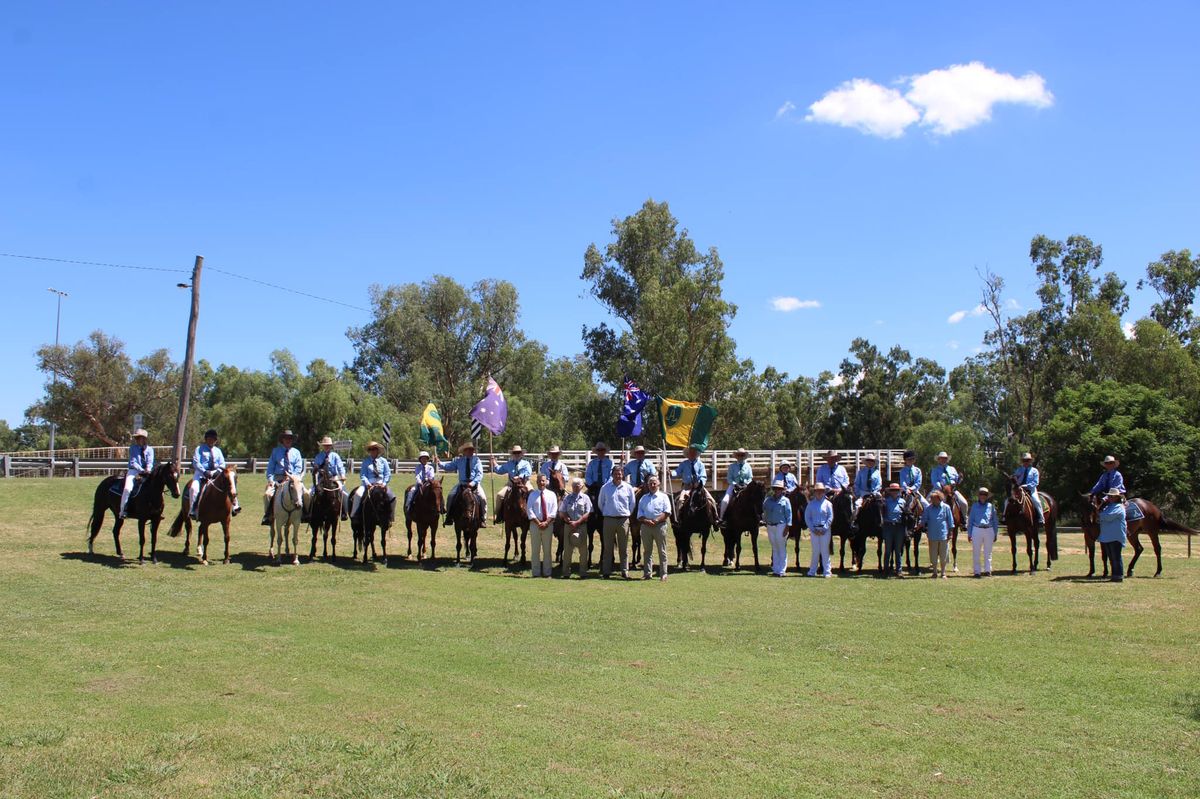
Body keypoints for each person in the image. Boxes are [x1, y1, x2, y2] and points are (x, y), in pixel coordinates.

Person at [262, 429, 309, 525]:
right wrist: (271, 480)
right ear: (282, 440)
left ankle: (306, 514)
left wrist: (292, 477)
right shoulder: (275, 452)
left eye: (290, 438)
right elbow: (270, 468)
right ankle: (268, 516)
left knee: (306, 494)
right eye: (286, 438)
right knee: (267, 495)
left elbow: (298, 467)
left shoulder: (296, 452)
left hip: (293, 480)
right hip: (278, 480)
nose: (288, 440)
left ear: (292, 440)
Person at [190, 428, 238, 519]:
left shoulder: (218, 451)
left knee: (230, 483)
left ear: (215, 440)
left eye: (213, 439)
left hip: (216, 473)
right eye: (209, 439)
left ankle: (235, 505)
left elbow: (222, 463)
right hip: (201, 473)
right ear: (206, 439)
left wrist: (218, 471)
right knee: (193, 488)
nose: (211, 441)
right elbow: (196, 462)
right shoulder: (199, 449)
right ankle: (193, 509)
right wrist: (204, 471)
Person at [598, 464, 636, 578]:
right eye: (615, 474)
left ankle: (624, 571)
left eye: (619, 474)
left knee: (623, 548)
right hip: (609, 520)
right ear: (612, 475)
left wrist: (627, 513)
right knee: (607, 547)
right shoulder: (605, 488)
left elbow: (632, 504)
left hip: (623, 520)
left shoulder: (628, 488)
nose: (618, 476)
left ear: (622, 474)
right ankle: (606, 571)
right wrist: (607, 512)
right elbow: (601, 503)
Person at [440, 442, 487, 527]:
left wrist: (473, 483)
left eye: (472, 450)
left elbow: (480, 474)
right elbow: (449, 467)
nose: (470, 451)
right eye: (468, 450)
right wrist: (439, 463)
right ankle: (449, 517)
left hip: (474, 484)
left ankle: (482, 519)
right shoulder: (459, 460)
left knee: (482, 498)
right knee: (451, 496)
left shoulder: (477, 460)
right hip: (462, 484)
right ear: (464, 451)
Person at [636, 475, 672, 581]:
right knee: (647, 551)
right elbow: (639, 514)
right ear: (647, 485)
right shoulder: (643, 498)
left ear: (658, 484)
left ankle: (664, 573)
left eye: (654, 483)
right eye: (650, 483)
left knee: (662, 550)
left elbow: (667, 512)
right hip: (646, 526)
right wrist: (646, 521)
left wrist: (656, 520)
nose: (652, 485)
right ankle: (647, 573)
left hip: (660, 526)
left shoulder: (664, 497)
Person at [350, 441, 395, 523]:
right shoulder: (366, 461)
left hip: (381, 483)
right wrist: (368, 484)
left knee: (392, 496)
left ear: (378, 450)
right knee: (357, 494)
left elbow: (387, 473)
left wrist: (384, 483)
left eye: (374, 449)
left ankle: (390, 516)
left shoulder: (383, 461)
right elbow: (363, 475)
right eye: (370, 449)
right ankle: (355, 515)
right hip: (368, 484)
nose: (372, 451)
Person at [558, 478, 593, 578]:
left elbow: (588, 513)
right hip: (568, 526)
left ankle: (583, 572)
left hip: (582, 526)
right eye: (574, 485)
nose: (575, 487)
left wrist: (577, 522)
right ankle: (565, 573)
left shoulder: (586, 498)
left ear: (582, 486)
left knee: (583, 551)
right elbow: (561, 511)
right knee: (568, 550)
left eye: (578, 485)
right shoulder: (567, 498)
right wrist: (566, 518)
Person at [526, 472, 558, 577]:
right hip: (535, 525)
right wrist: (539, 523)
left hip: (548, 525)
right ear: (537, 482)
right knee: (535, 550)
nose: (541, 482)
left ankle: (547, 573)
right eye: (539, 481)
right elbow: (529, 510)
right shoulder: (532, 494)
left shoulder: (552, 495)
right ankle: (536, 573)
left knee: (547, 550)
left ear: (546, 482)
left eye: (543, 480)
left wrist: (546, 522)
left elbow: (554, 510)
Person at [119, 428, 155, 519]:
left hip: (147, 471)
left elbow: (150, 461)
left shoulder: (150, 449)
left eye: (140, 438)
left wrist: (148, 469)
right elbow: (133, 462)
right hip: (134, 470)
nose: (138, 440)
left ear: (145, 439)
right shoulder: (133, 448)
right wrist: (142, 470)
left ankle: (157, 510)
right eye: (137, 438)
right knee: (127, 488)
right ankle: (123, 510)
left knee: (156, 486)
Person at [491, 445, 532, 523]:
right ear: (512, 454)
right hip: (511, 485)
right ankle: (499, 515)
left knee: (532, 493)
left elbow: (528, 473)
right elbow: (499, 470)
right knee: (500, 495)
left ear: (521, 454)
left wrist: (519, 477)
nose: (517, 454)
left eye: (518, 453)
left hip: (524, 483)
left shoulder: (526, 463)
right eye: (515, 453)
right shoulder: (509, 463)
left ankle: (533, 516)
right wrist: (494, 463)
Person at [919, 490, 955, 579]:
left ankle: (943, 572)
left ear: (939, 499)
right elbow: (924, 519)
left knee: (943, 554)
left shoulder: (946, 507)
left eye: (934, 499)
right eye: (931, 499)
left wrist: (950, 532)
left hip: (943, 535)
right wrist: (919, 525)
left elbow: (950, 521)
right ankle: (934, 572)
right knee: (933, 554)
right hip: (932, 535)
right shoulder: (928, 508)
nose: (932, 501)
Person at [762, 479, 792, 577]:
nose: (777, 491)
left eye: (779, 489)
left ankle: (782, 570)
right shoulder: (768, 500)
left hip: (781, 525)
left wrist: (787, 527)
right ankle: (776, 569)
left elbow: (789, 515)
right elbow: (763, 510)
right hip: (770, 525)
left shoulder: (786, 500)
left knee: (781, 546)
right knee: (774, 547)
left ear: (782, 490)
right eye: (776, 489)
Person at [967, 486, 999, 577]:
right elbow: (971, 520)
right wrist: (969, 533)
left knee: (988, 552)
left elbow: (995, 520)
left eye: (985, 494)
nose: (983, 496)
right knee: (976, 551)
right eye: (981, 494)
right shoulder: (974, 506)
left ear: (987, 496)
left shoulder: (991, 507)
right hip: (977, 529)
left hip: (989, 529)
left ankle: (988, 570)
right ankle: (977, 571)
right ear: (979, 495)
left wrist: (995, 533)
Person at [1097, 488, 1127, 582]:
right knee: (1111, 557)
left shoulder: (1119, 507)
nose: (1109, 497)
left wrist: (1099, 515)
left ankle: (1119, 576)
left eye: (1111, 496)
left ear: (1116, 497)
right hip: (1107, 536)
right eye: (1108, 496)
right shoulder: (1109, 506)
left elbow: (1108, 517)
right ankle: (1114, 575)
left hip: (1115, 536)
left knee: (1116, 557)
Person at [719, 448, 754, 526]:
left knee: (755, 499)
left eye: (742, 455)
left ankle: (759, 518)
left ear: (744, 456)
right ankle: (721, 518)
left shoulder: (748, 466)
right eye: (739, 455)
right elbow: (729, 478)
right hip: (734, 486)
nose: (740, 456)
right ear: (736, 456)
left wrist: (746, 484)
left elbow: (750, 477)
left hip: (745, 486)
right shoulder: (732, 466)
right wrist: (735, 484)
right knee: (725, 500)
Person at [804, 483, 833, 577]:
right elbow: (807, 517)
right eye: (817, 491)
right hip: (814, 530)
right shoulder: (811, 504)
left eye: (821, 491)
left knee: (825, 551)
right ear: (815, 492)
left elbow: (830, 517)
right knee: (815, 551)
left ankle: (827, 571)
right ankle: (812, 571)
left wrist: (824, 528)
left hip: (825, 530)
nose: (819, 493)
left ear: (824, 492)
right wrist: (812, 529)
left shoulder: (828, 504)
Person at [312, 437, 347, 509]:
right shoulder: (318, 456)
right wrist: (318, 470)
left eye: (328, 445)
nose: (327, 447)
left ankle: (344, 512)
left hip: (334, 478)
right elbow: (315, 468)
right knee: (311, 493)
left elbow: (340, 467)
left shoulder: (335, 456)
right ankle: (310, 512)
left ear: (331, 446)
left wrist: (342, 475)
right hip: (321, 479)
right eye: (325, 445)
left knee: (343, 492)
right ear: (323, 446)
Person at [930, 451, 968, 517]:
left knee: (964, 503)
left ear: (947, 459)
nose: (943, 460)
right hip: (939, 490)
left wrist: (960, 479)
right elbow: (934, 481)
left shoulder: (952, 469)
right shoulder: (935, 470)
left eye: (945, 458)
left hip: (953, 490)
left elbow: (957, 481)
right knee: (928, 502)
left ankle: (964, 520)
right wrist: (943, 488)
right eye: (941, 458)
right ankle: (926, 522)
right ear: (938, 459)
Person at [403, 451, 441, 517]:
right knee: (412, 491)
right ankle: (408, 506)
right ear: (420, 460)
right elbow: (417, 475)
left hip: (429, 483)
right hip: (419, 483)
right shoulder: (418, 467)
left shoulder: (430, 467)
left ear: (427, 459)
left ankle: (442, 507)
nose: (424, 460)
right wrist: (419, 481)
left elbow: (431, 476)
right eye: (422, 458)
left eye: (425, 458)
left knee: (437, 491)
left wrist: (428, 480)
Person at [1013, 452, 1044, 530]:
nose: (1026, 462)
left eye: (1027, 460)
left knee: (1036, 500)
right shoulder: (1019, 470)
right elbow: (1014, 477)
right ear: (1022, 461)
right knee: (1008, 500)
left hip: (1031, 489)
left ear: (1030, 461)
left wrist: (1025, 485)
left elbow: (1036, 482)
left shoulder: (1034, 471)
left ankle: (1041, 518)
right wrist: (1014, 479)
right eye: (1024, 460)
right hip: (1019, 489)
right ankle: (1005, 517)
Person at [881, 482, 906, 578]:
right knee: (887, 549)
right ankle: (886, 569)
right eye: (893, 490)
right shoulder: (886, 501)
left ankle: (899, 570)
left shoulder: (903, 502)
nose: (894, 492)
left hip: (899, 526)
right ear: (890, 492)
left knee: (898, 550)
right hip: (888, 526)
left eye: (896, 490)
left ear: (899, 491)